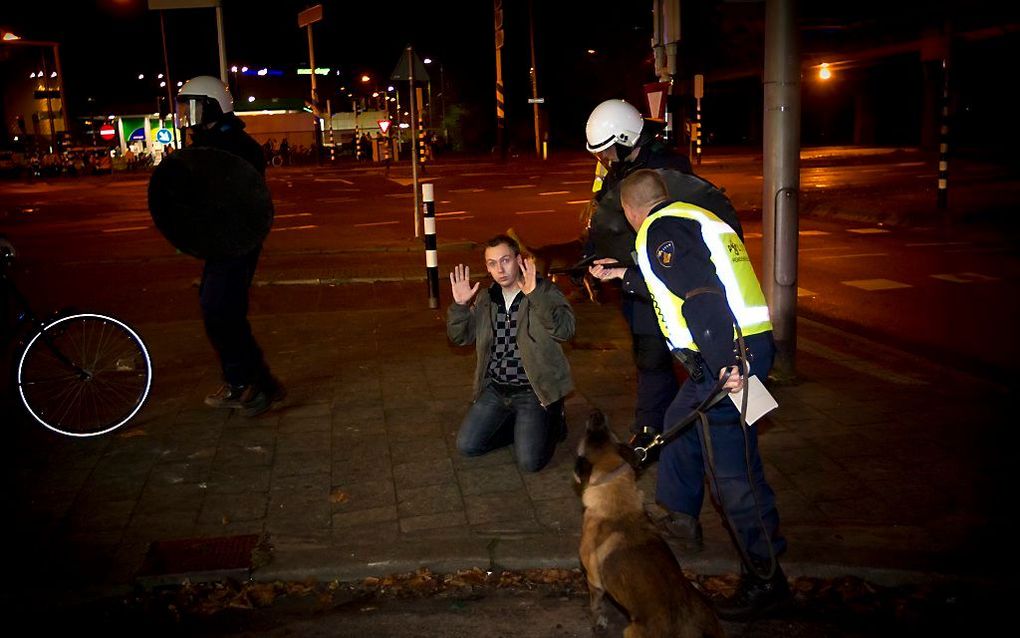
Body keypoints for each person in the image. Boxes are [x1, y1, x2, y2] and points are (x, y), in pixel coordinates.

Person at [589, 169, 788, 620]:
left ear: (630, 210)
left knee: (732, 476)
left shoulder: (662, 230)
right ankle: (679, 513)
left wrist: (725, 364)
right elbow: (674, 283)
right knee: (679, 425)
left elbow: (701, 294)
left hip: (727, 356)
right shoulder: (688, 218)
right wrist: (625, 274)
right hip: (733, 350)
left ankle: (765, 576)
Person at [583, 99, 744, 457]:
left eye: (607, 150)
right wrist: (597, 258)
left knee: (659, 356)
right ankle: (661, 427)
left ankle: (652, 431)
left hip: (670, 281)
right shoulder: (617, 172)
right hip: (636, 279)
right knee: (648, 354)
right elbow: (608, 219)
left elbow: (672, 233)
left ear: (624, 139)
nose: (604, 159)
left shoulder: (667, 171)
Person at [177, 75, 284, 417]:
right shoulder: (207, 142)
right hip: (220, 242)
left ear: (210, 105)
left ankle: (250, 383)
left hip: (237, 241)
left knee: (220, 309)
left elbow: (238, 195)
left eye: (193, 105)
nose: (187, 114)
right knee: (221, 311)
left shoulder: (237, 146)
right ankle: (254, 382)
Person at [447, 235, 575, 472]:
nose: (500, 269)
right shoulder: (486, 298)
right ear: (487, 268)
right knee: (468, 446)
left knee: (530, 463)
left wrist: (535, 296)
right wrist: (460, 307)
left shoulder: (544, 290)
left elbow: (566, 331)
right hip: (496, 389)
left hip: (533, 390)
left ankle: (553, 420)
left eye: (505, 260)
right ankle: (522, 428)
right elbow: (460, 338)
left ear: (518, 260)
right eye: (492, 263)